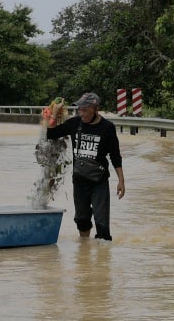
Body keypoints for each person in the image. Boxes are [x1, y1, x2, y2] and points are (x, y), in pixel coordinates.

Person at [46, 92, 125, 240]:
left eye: (85, 110)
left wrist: (121, 181)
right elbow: (51, 134)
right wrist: (55, 113)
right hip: (79, 180)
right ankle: (85, 253)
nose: (81, 113)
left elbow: (115, 156)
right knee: (81, 220)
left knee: (102, 224)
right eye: (80, 109)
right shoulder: (75, 123)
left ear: (96, 109)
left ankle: (102, 258)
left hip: (99, 182)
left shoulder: (107, 128)